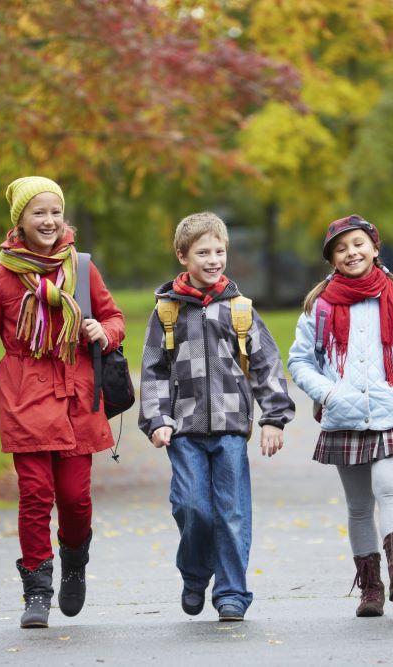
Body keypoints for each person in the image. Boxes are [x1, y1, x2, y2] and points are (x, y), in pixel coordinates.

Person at [0, 176, 125, 628]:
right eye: (39, 213)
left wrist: (103, 331)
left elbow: (115, 318)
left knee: (75, 498)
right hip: (25, 398)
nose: (49, 221)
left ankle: (74, 561)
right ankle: (36, 589)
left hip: (77, 397)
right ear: (20, 220)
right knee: (35, 495)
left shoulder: (81, 267)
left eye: (55, 212)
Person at [138, 211, 295, 622]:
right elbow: (153, 370)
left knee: (232, 514)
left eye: (219, 251)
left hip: (230, 428)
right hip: (183, 430)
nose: (213, 260)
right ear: (182, 256)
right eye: (203, 253)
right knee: (192, 507)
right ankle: (195, 574)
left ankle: (231, 593)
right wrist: (157, 419)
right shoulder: (167, 312)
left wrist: (273, 418)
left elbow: (266, 364)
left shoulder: (240, 310)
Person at [287, 215, 393, 618]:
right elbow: (299, 361)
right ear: (332, 259)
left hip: (390, 414)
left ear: (374, 247)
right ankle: (371, 587)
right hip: (343, 417)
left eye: (358, 244)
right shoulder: (320, 306)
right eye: (341, 248)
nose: (351, 252)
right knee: (358, 506)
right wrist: (329, 393)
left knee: (389, 486)